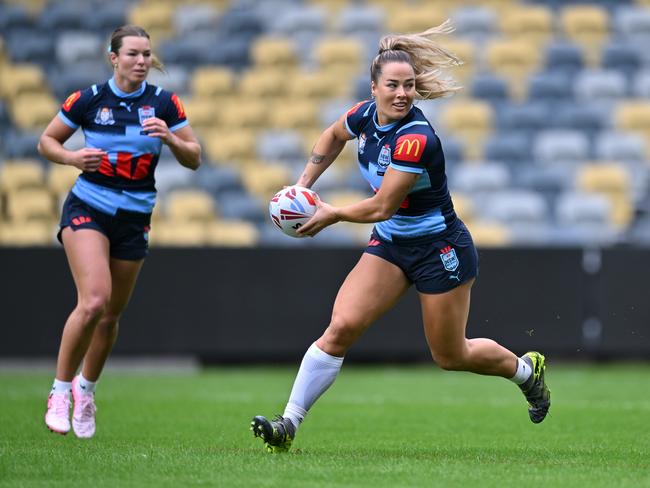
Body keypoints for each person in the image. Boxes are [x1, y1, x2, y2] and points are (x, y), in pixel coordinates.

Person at [251, 21, 550, 452]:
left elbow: (381, 207)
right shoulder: (364, 116)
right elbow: (334, 134)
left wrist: (331, 213)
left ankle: (526, 372)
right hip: (392, 245)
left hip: (440, 248)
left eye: (409, 85)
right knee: (341, 328)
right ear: (373, 88)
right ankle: (288, 425)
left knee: (451, 355)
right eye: (393, 85)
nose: (402, 94)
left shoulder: (415, 138)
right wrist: (304, 185)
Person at [38, 25, 201, 438]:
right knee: (94, 301)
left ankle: (86, 391)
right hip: (89, 207)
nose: (142, 61)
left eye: (146, 54)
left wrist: (171, 139)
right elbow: (47, 142)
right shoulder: (90, 99)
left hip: (135, 217)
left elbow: (194, 157)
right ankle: (59, 391)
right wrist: (74, 158)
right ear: (113, 58)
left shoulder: (164, 103)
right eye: (132, 54)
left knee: (111, 316)